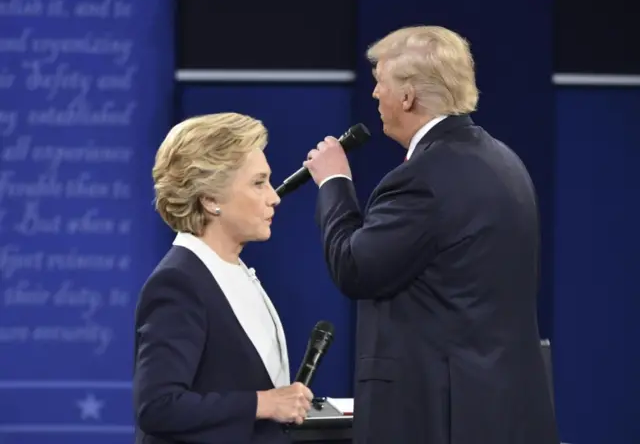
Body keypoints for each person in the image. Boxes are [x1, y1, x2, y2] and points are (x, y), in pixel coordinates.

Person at [303, 26, 559, 444]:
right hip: (502, 412)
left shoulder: (422, 179)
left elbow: (354, 267)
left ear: (407, 97)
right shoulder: (506, 161)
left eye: (380, 82)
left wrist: (334, 183)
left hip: (437, 418)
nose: (374, 95)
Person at [133, 113, 313, 444]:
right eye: (258, 183)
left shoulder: (232, 272)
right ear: (211, 199)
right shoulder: (178, 283)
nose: (274, 196)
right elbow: (158, 406)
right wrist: (265, 403)